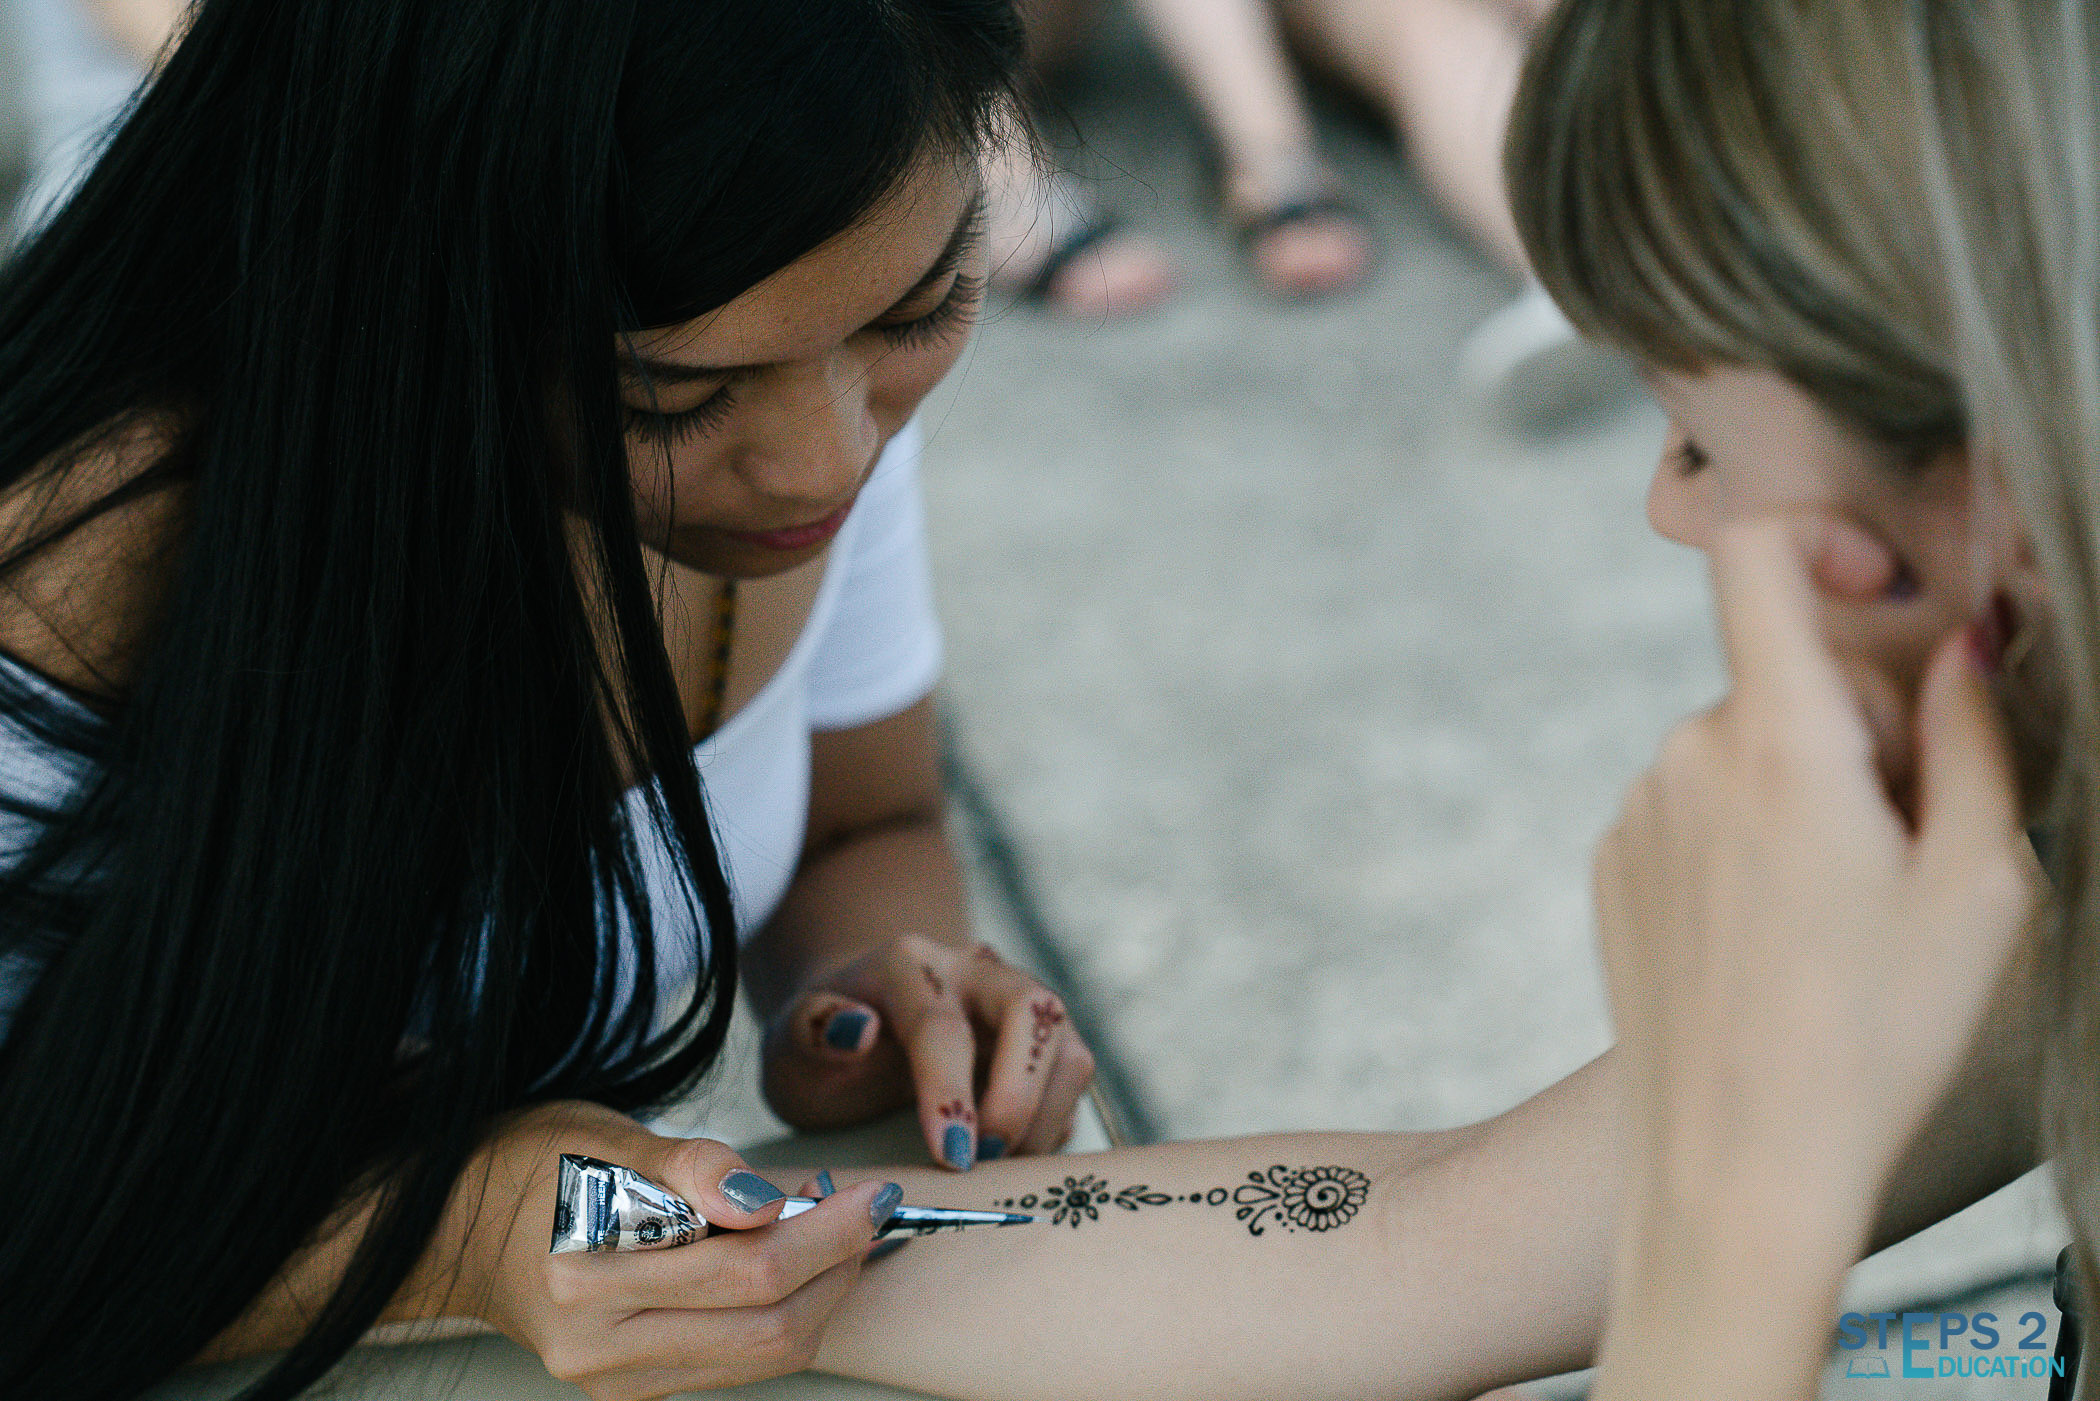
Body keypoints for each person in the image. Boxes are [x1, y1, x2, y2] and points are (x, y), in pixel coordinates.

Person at [0, 2, 1102, 1396]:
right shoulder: (72, 558)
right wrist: (460, 1232)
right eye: (670, 400)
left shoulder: (805, 337)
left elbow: (862, 821)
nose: (828, 458)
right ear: (399, 298)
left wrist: (881, 992)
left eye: (922, 308)